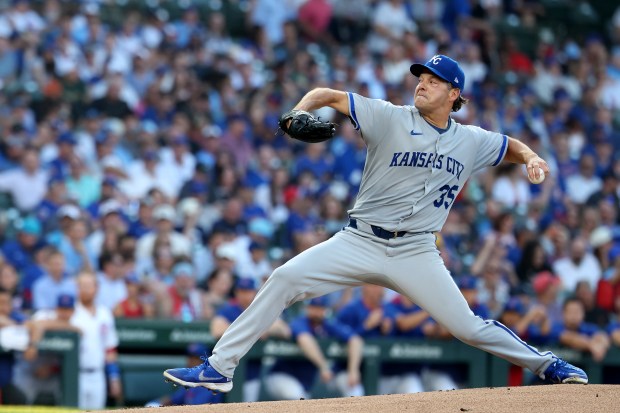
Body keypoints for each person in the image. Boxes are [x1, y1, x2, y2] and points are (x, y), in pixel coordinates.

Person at [164, 54, 588, 393]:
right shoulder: (388, 116)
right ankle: (219, 368)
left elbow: (508, 145)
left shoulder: (470, 139)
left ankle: (547, 364)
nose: (422, 83)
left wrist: (531, 157)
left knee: (468, 327)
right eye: (420, 77)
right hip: (360, 239)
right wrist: (297, 111)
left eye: (434, 80)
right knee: (284, 277)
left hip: (416, 251)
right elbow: (326, 93)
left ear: (454, 93)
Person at [71, 272, 121, 410]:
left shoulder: (104, 313)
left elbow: (110, 349)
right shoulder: (70, 312)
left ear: (97, 288)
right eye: (82, 286)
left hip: (98, 375)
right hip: (75, 374)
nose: (86, 289)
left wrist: (113, 377)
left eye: (89, 286)